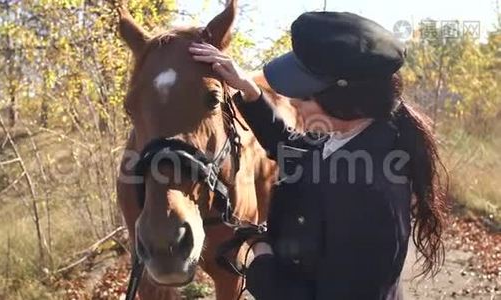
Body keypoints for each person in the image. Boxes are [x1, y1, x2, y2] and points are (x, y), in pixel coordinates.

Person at [189, 11, 448, 300]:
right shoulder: (350, 139)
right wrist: (248, 90)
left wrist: (259, 258)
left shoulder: (369, 192)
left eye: (305, 94)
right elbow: (293, 148)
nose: (293, 101)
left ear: (343, 97)